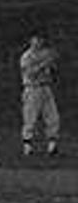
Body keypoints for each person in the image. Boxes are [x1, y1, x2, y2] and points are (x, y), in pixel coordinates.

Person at [25, 29, 62, 162]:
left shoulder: (45, 53)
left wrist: (52, 64)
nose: (38, 42)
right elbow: (30, 73)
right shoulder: (27, 56)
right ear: (31, 41)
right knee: (30, 117)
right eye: (35, 39)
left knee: (53, 116)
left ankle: (52, 145)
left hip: (46, 88)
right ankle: (27, 146)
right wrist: (44, 64)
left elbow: (53, 70)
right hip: (32, 88)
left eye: (40, 40)